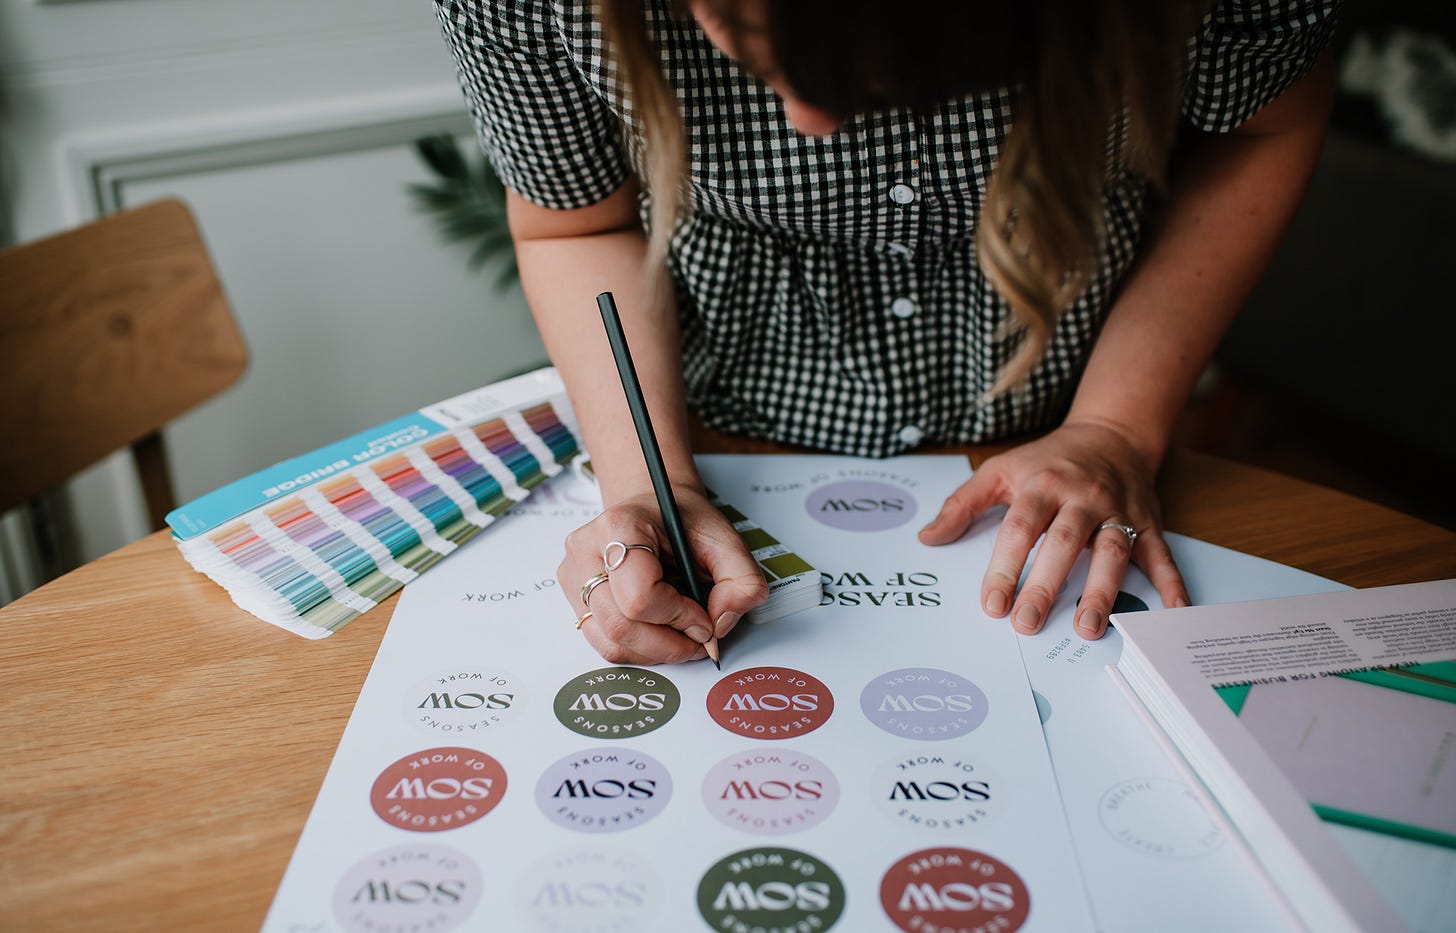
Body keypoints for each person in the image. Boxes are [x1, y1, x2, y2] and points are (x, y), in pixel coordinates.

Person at [433, 0, 1339, 664]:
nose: (809, 121)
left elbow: (1264, 130)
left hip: (1078, 400)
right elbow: (576, 225)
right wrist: (648, 479)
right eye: (740, 37)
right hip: (714, 419)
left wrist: (1116, 425)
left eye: (875, 81)